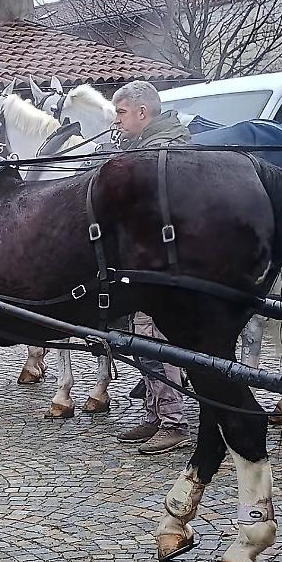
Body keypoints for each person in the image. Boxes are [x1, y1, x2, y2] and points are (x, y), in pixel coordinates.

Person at [110, 80, 192, 455]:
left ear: (142, 113)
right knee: (143, 340)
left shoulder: (165, 151)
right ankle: (156, 412)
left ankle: (174, 421)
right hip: (146, 261)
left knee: (156, 341)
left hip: (164, 264)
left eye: (122, 113)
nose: (117, 121)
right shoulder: (145, 147)